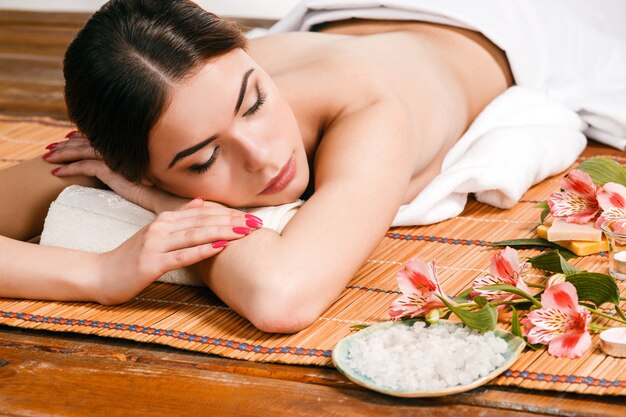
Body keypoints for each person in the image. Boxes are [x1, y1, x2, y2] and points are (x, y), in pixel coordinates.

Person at [0, 0, 514, 333]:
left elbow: (282, 296)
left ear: (250, 56)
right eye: (205, 159)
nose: (266, 156)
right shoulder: (142, 131)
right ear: (134, 170)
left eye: (256, 102)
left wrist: (168, 204)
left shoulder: (370, 110)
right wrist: (99, 273)